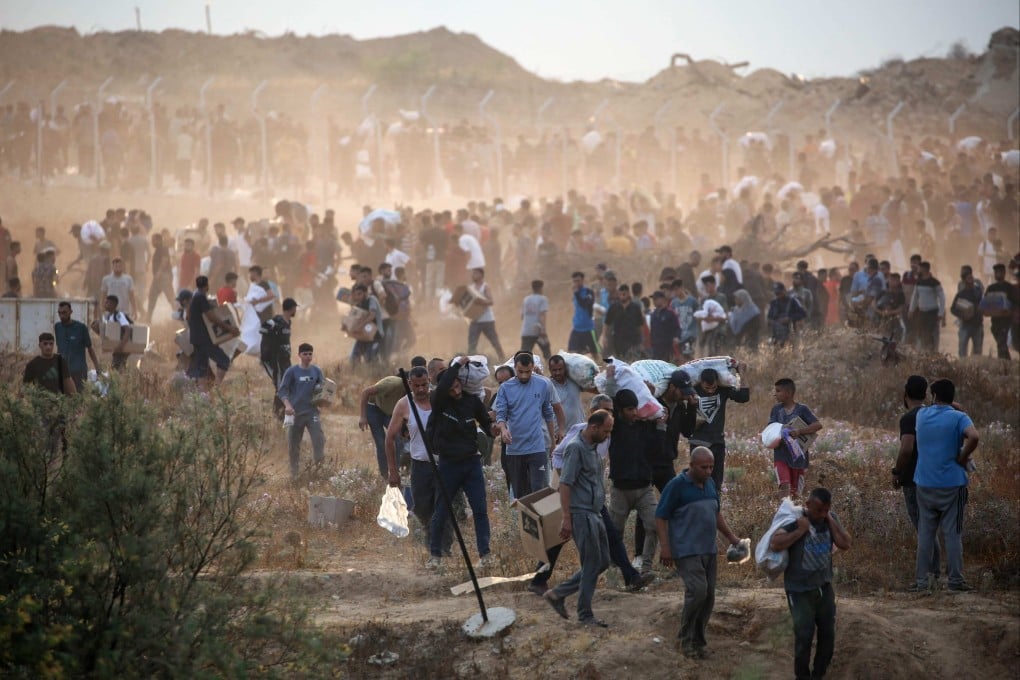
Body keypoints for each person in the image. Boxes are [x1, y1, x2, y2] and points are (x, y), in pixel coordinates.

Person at [655, 447, 742, 659]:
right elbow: (660, 517)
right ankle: (684, 639)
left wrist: (732, 538)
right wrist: (666, 548)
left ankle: (698, 642)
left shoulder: (710, 484)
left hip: (708, 549)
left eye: (711, 467)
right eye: (704, 467)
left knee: (709, 596)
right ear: (692, 465)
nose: (709, 471)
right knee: (698, 591)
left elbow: (716, 513)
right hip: (686, 549)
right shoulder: (676, 486)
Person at [769, 487, 852, 680]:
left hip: (823, 587)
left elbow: (845, 543)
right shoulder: (796, 519)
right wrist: (800, 530)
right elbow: (776, 543)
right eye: (818, 511)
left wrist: (830, 520)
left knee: (828, 636)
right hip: (798, 590)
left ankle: (819, 674)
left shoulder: (830, 519)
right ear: (808, 505)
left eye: (826, 510)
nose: (822, 515)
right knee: (804, 636)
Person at [543, 409, 616, 627]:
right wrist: (567, 518)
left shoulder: (593, 448)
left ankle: (557, 594)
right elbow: (565, 484)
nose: (608, 435)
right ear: (593, 427)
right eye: (606, 431)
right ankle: (585, 615)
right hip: (581, 513)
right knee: (591, 562)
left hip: (594, 513)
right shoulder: (575, 448)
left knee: (602, 560)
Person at [425, 357, 494, 570]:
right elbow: (442, 386)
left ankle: (485, 555)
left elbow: (487, 424)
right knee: (441, 511)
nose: (454, 390)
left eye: (456, 384)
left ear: (461, 383)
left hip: (471, 463)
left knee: (480, 510)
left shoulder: (472, 401)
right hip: (448, 465)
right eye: (450, 386)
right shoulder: (439, 401)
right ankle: (435, 556)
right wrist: (456, 365)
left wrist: (496, 429)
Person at [912, 378, 979, 592]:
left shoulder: (921, 415)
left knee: (925, 535)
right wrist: (963, 457)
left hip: (924, 482)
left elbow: (928, 407)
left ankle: (923, 581)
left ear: (933, 396)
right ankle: (955, 581)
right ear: (952, 397)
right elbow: (974, 436)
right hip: (953, 484)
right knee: (952, 534)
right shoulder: (959, 417)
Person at [384, 366, 452, 556]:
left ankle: (442, 550)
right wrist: (393, 471)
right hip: (420, 465)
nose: (421, 390)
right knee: (422, 508)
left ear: (429, 382)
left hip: (444, 464)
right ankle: (432, 542)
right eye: (416, 386)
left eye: (424, 385)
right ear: (410, 384)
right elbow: (389, 438)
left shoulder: (441, 400)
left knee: (443, 507)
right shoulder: (404, 405)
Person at [600, 380, 662, 575]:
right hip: (620, 489)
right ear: (619, 410)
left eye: (636, 408)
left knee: (653, 526)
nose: (634, 412)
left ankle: (646, 568)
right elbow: (608, 403)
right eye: (629, 409)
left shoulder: (646, 426)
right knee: (614, 532)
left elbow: (658, 448)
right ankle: (613, 570)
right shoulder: (614, 428)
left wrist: (650, 395)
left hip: (644, 488)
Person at [892, 375, 942, 583]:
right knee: (930, 527)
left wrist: (896, 472)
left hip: (914, 479)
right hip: (935, 477)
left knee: (923, 528)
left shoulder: (909, 418)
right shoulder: (933, 413)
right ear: (926, 395)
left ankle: (926, 577)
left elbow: (906, 449)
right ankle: (934, 572)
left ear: (905, 395)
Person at [493, 351, 560, 498]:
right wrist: (503, 430)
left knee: (540, 491)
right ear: (515, 368)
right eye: (520, 372)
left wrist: (553, 444)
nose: (524, 375)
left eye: (528, 372)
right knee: (521, 496)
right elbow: (501, 415)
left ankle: (542, 521)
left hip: (537, 448)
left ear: (533, 368)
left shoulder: (542, 384)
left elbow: (548, 414)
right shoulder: (505, 388)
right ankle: (526, 522)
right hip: (515, 449)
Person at [689, 367, 750, 491]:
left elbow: (743, 397)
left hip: (717, 442)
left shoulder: (723, 390)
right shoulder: (692, 390)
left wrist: (742, 374)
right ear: (700, 383)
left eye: (714, 387)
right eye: (707, 388)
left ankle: (715, 507)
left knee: (716, 483)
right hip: (698, 443)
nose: (711, 391)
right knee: (698, 481)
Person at [278, 343, 327, 479]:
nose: (308, 356)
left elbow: (322, 389)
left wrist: (323, 400)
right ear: (299, 355)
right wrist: (287, 405)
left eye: (310, 354)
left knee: (319, 441)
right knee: (293, 446)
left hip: (312, 412)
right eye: (305, 354)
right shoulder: (292, 371)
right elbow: (282, 391)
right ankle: (294, 475)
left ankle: (319, 473)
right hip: (295, 413)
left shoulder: (316, 371)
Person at [769, 378, 822, 499]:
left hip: (798, 459)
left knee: (796, 493)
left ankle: (793, 515)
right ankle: (784, 513)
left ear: (788, 393)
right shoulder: (776, 410)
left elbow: (817, 425)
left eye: (778, 391)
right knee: (784, 485)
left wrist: (799, 431)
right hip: (781, 455)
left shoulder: (802, 409)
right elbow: (771, 427)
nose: (775, 394)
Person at [186, 276, 238, 385]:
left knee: (202, 369)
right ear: (207, 286)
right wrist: (229, 328)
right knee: (224, 361)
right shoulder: (201, 297)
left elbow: (188, 316)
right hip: (204, 338)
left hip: (196, 338)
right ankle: (217, 388)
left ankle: (203, 394)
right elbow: (211, 317)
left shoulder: (195, 296)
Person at [359, 373, 408, 478]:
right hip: (373, 408)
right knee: (381, 443)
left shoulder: (414, 393)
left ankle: (397, 473)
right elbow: (365, 392)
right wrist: (363, 416)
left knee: (399, 440)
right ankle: (384, 476)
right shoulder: (392, 383)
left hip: (389, 412)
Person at [260, 297, 298, 417]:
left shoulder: (288, 322)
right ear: (291, 309)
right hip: (276, 359)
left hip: (285, 359)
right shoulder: (277, 321)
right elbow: (263, 329)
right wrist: (270, 347)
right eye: (295, 308)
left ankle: (283, 412)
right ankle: (278, 414)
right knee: (281, 385)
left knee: (289, 383)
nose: (295, 310)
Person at [55, 300, 100, 392]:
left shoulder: (81, 328)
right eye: (59, 313)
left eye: (64, 313)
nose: (61, 316)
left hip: (79, 371)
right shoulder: (57, 327)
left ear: (71, 312)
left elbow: (90, 349)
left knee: (79, 397)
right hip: (63, 371)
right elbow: (59, 348)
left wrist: (97, 367)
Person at [466, 267, 504, 357]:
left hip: (487, 319)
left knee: (494, 340)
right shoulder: (470, 288)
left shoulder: (485, 287)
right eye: (473, 273)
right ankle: (470, 360)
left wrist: (481, 301)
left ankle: (502, 357)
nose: (473, 275)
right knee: (472, 342)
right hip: (474, 319)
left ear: (481, 275)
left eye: (475, 273)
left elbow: (491, 301)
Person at [908, 261, 945, 352]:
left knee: (932, 334)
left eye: (919, 268)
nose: (918, 270)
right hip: (922, 313)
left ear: (924, 269)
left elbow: (942, 298)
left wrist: (941, 313)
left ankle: (933, 353)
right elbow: (915, 296)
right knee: (921, 333)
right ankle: (923, 352)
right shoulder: (919, 282)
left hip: (932, 313)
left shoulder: (935, 282)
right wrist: (911, 310)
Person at [602, 284, 645, 360]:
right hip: (618, 341)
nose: (622, 296)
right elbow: (607, 323)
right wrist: (604, 336)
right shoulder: (614, 307)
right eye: (620, 294)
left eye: (624, 294)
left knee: (633, 362)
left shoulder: (635, 308)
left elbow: (640, 325)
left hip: (633, 341)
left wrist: (642, 340)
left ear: (628, 293)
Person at [984, 263, 1018, 359]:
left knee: (1001, 343)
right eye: (996, 272)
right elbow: (985, 304)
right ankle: (1007, 363)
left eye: (1000, 272)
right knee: (1001, 344)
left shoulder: (1009, 287)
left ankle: (1002, 365)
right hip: (995, 322)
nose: (998, 274)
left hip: (1006, 321)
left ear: (1004, 273)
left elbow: (1015, 303)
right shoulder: (991, 288)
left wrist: (1010, 311)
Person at [950, 267, 984, 357]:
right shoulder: (961, 294)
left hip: (977, 325)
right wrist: (962, 315)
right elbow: (953, 309)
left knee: (977, 351)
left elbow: (983, 304)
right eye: (969, 278)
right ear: (964, 280)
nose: (971, 280)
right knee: (962, 350)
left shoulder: (978, 291)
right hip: (965, 325)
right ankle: (962, 368)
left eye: (971, 277)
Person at [568, 271, 599, 358]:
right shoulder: (575, 294)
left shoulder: (589, 292)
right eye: (574, 281)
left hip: (588, 328)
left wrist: (577, 293)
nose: (576, 283)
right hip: (577, 327)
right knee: (572, 352)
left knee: (594, 353)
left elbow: (585, 304)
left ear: (582, 280)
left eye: (578, 280)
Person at [768, 283, 806, 347]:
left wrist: (789, 318)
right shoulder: (773, 303)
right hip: (777, 333)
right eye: (776, 294)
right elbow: (770, 316)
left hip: (791, 331)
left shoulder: (793, 301)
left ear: (784, 291)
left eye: (779, 293)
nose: (778, 295)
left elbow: (803, 313)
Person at [520, 279, 551, 360]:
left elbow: (522, 316)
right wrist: (543, 330)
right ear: (541, 288)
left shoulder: (526, 299)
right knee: (547, 352)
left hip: (526, 331)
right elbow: (542, 315)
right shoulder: (543, 299)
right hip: (538, 331)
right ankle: (548, 366)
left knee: (524, 355)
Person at [101, 294, 132, 371]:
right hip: (117, 346)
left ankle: (121, 381)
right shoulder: (108, 316)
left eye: (107, 303)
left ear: (113, 304)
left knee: (116, 367)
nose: (105, 305)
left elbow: (127, 330)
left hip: (123, 345)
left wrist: (121, 346)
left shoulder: (118, 315)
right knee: (118, 366)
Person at [648, 290, 680, 361]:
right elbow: (652, 330)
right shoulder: (653, 314)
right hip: (656, 347)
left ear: (662, 299)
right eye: (653, 299)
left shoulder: (670, 313)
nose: (654, 301)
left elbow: (677, 327)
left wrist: (676, 337)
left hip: (668, 346)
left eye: (656, 299)